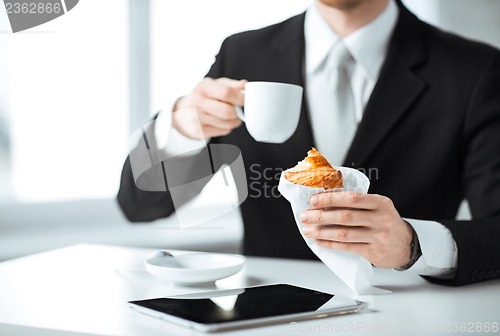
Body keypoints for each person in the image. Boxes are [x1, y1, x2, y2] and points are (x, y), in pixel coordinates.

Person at [118, 0, 500, 286]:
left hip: (410, 314)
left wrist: (413, 245)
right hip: (265, 315)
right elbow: (139, 204)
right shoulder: (242, 53)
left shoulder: (474, 70)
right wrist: (180, 129)